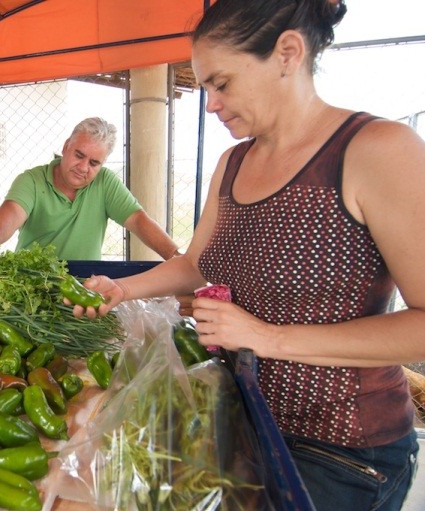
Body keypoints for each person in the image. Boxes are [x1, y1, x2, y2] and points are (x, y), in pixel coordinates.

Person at [72, 1, 424, 510]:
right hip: (246, 420)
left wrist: (264, 337)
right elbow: (197, 263)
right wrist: (121, 289)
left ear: (287, 53)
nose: (210, 103)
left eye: (222, 83)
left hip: (341, 451)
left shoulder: (376, 150)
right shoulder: (232, 163)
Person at [0, 117, 180, 261]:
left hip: (85, 285)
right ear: (66, 147)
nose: (83, 168)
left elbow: (138, 220)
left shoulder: (105, 182)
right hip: (31, 284)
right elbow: (10, 215)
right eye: (79, 155)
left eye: (94, 163)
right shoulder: (32, 180)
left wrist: (176, 257)